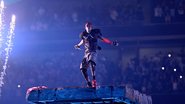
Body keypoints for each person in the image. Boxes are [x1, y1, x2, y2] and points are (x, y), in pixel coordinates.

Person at [74, 22, 118, 88]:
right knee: (82, 68)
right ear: (85, 27)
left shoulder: (95, 33)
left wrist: (111, 43)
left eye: (89, 27)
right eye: (87, 27)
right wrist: (78, 45)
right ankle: (88, 82)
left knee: (91, 61)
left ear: (91, 27)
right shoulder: (83, 34)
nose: (88, 28)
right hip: (86, 53)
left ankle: (94, 80)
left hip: (93, 51)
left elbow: (103, 39)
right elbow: (83, 41)